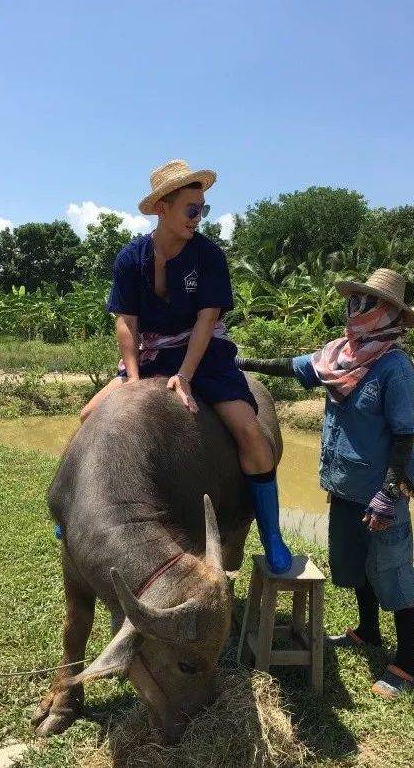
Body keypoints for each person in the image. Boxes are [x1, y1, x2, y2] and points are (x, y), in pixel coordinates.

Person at [80, 159, 292, 574]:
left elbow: (206, 320)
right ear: (162, 207)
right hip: (152, 355)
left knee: (249, 430)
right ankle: (82, 508)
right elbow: (126, 322)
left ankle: (271, 534)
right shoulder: (130, 258)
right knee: (89, 416)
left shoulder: (209, 256)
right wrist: (134, 380)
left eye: (204, 210)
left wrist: (187, 377)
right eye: (192, 209)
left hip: (205, 354)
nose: (199, 218)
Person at [237, 268, 414, 699]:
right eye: (352, 301)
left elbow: (404, 435)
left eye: (364, 303)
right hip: (343, 484)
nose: (353, 309)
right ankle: (367, 631)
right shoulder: (338, 356)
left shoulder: (394, 368)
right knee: (352, 565)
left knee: (393, 572)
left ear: (387, 313)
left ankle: (405, 662)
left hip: (380, 490)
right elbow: (292, 367)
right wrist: (240, 362)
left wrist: (389, 491)